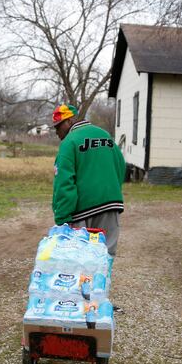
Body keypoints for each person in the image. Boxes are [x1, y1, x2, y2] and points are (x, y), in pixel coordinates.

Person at [51, 104, 126, 256]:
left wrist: (62, 219)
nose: (57, 132)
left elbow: (64, 183)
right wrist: (112, 192)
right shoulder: (105, 136)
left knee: (80, 260)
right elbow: (120, 167)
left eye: (58, 126)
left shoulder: (69, 142)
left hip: (82, 213)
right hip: (111, 207)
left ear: (69, 121)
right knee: (105, 256)